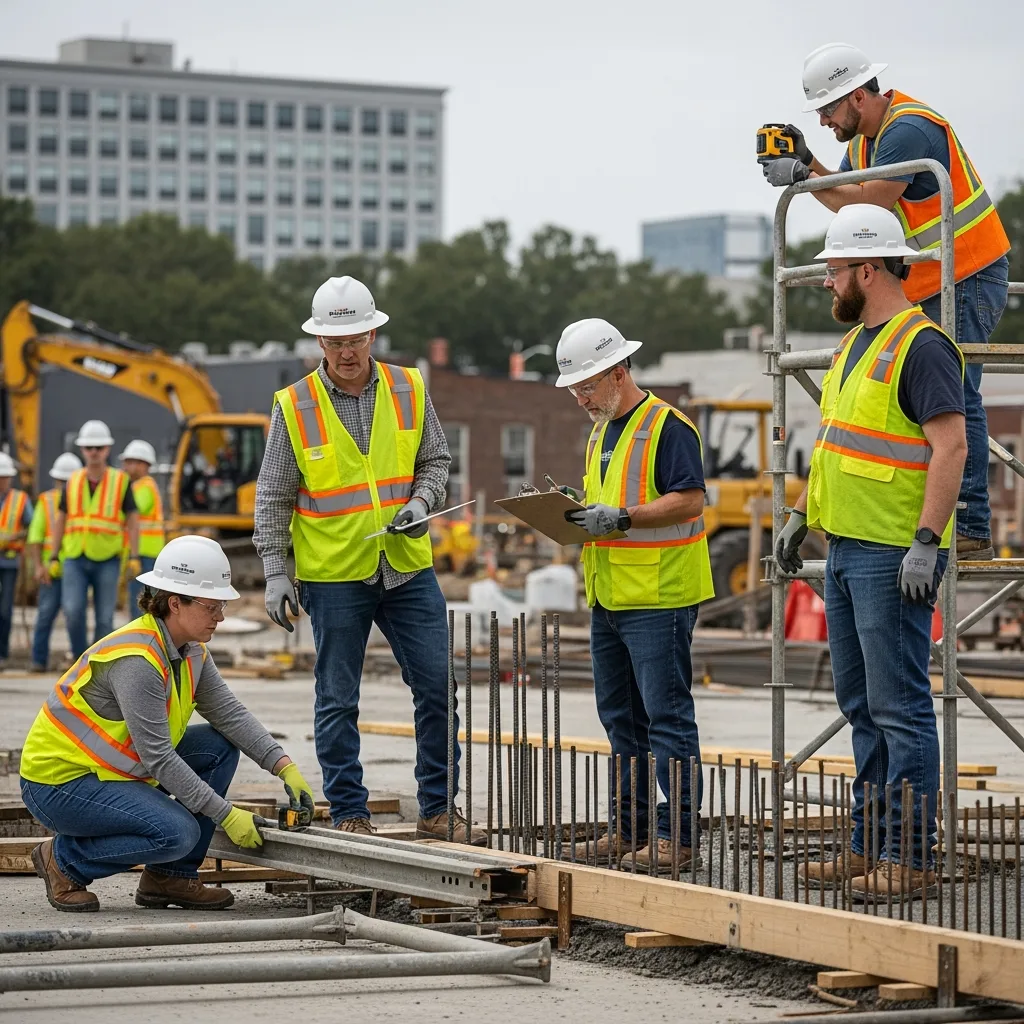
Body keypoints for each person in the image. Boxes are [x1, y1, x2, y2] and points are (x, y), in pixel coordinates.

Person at [776, 204, 967, 898]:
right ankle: (869, 845)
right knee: (861, 706)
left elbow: (952, 445)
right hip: (850, 551)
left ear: (868, 267)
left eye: (832, 270)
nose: (826, 282)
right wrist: (800, 515)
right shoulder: (856, 345)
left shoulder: (922, 346)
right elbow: (832, 445)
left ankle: (911, 858)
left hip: (894, 555)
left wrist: (926, 542)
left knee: (900, 708)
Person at [254, 275, 483, 843]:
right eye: (336, 342)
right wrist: (276, 569)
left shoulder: (409, 387)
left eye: (356, 337)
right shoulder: (295, 405)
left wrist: (422, 501)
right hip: (334, 575)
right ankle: (350, 810)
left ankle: (436, 808)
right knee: (338, 697)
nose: (347, 351)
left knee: (437, 688)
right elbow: (274, 492)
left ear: (374, 332)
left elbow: (435, 460)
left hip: (405, 565)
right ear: (319, 344)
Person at [762, 42, 1010, 560]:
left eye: (829, 109)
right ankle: (942, 517)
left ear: (857, 96)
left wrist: (806, 177)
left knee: (955, 396)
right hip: (933, 281)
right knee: (935, 397)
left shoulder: (908, 129)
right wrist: (808, 164)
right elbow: (853, 213)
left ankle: (970, 526)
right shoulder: (866, 144)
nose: (826, 120)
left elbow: (870, 202)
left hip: (967, 273)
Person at [19, 535, 316, 912]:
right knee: (178, 833)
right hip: (58, 785)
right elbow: (158, 758)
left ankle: (171, 878)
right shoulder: (137, 661)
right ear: (175, 603)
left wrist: (283, 765)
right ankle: (64, 862)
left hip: (107, 773)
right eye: (212, 606)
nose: (220, 617)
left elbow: (230, 715)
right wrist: (225, 814)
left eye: (221, 605)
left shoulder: (191, 650)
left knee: (219, 745)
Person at [553, 318, 714, 871]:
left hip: (660, 597)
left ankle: (679, 837)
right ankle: (631, 829)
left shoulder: (668, 427)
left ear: (618, 373)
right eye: (574, 389)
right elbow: (611, 503)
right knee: (620, 719)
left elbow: (690, 501)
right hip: (611, 596)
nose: (580, 399)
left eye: (587, 386)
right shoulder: (602, 429)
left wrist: (620, 517)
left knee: (666, 718)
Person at [48, 420, 141, 659]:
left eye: (99, 447)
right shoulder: (73, 480)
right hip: (75, 557)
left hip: (107, 558)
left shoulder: (120, 481)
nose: (94, 452)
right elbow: (61, 518)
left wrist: (134, 556)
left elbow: (132, 517)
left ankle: (98, 665)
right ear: (82, 450)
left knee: (104, 619)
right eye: (89, 447)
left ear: (107, 449)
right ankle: (81, 659)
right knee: (73, 610)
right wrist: (53, 556)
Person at [27, 452, 82, 672]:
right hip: (53, 571)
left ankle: (76, 660)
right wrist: (40, 567)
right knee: (46, 615)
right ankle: (39, 660)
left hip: (72, 570)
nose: (64, 486)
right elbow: (35, 537)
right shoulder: (47, 501)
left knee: (73, 617)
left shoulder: (83, 501)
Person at [119, 439, 165, 614]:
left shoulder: (144, 486)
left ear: (144, 464)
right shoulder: (138, 486)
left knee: (141, 603)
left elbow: (132, 510)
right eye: (127, 462)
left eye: (131, 462)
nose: (126, 467)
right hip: (140, 552)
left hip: (146, 553)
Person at [0, 452, 33, 667]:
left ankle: (2, 653)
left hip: (9, 561)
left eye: (4, 477)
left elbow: (31, 525)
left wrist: (15, 537)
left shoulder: (20, 499)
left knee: (4, 609)